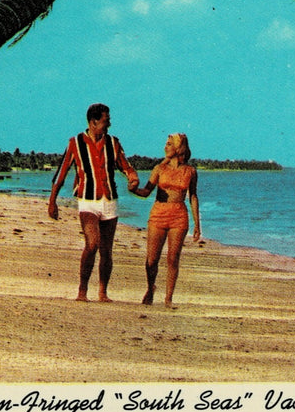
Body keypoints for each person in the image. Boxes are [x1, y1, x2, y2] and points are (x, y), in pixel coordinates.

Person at [47, 103, 139, 302]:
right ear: (93, 121)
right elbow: (61, 173)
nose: (109, 124)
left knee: (107, 250)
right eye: (106, 121)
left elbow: (126, 166)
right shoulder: (75, 143)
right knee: (92, 244)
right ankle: (82, 291)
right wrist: (52, 201)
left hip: (110, 201)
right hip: (87, 201)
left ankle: (103, 292)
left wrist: (133, 178)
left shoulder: (113, 143)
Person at [131, 133, 201, 308]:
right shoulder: (159, 169)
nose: (165, 146)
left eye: (169, 144)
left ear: (178, 148)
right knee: (152, 260)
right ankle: (150, 287)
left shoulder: (190, 171)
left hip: (179, 215)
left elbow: (193, 196)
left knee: (173, 258)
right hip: (158, 213)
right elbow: (146, 192)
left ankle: (168, 298)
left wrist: (197, 224)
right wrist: (133, 190)